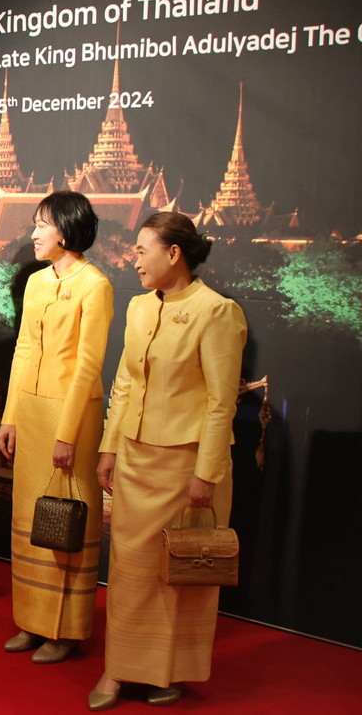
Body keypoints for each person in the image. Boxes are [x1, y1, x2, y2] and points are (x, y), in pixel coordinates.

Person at [88, 212, 247, 710]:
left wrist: (207, 472)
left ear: (173, 253)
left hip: (186, 466)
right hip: (135, 457)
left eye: (141, 250)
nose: (132, 259)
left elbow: (223, 403)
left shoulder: (217, 312)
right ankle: (117, 669)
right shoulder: (137, 308)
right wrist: (109, 446)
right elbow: (125, 382)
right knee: (131, 572)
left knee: (177, 577)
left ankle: (166, 672)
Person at [0, 191, 113, 663]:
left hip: (73, 416)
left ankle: (65, 631)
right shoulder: (38, 282)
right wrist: (10, 417)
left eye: (41, 225)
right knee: (29, 522)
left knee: (66, 521)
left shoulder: (95, 285)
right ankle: (32, 621)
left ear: (65, 229)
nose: (34, 234)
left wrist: (67, 432)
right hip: (32, 410)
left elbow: (89, 365)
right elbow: (24, 349)